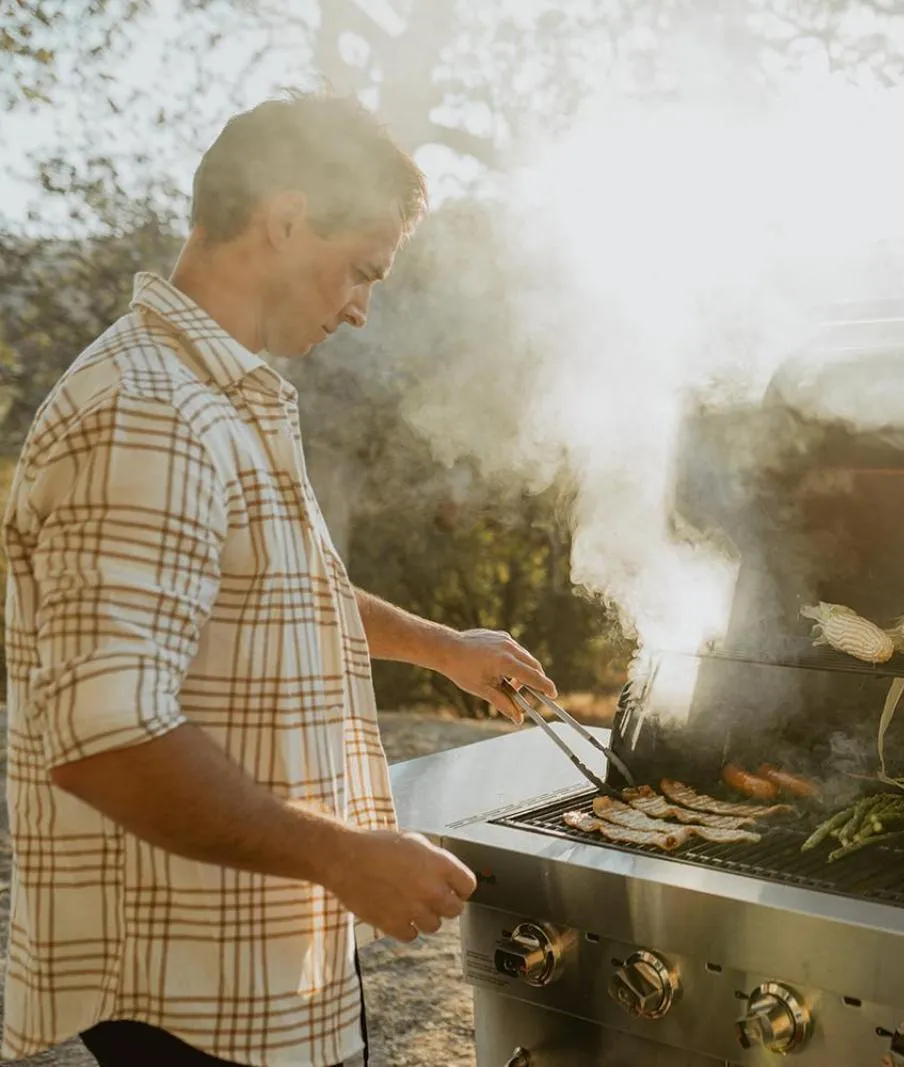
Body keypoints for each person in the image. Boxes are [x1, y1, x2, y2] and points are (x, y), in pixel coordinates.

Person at [2, 90, 557, 1067]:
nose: (360, 307)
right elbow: (104, 735)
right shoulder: (148, 410)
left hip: (257, 947)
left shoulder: (221, 393)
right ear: (286, 217)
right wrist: (343, 854)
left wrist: (438, 646)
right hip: (189, 980)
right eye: (361, 270)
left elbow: (273, 588)